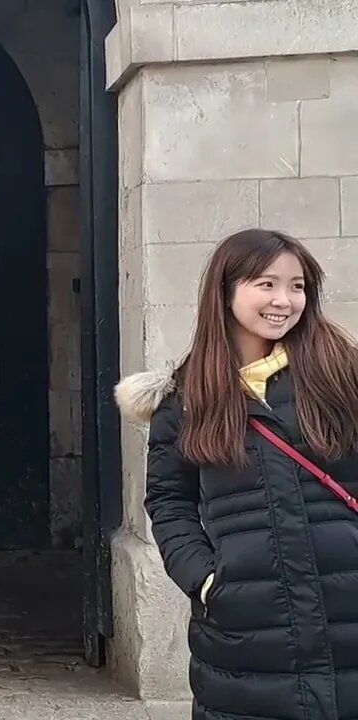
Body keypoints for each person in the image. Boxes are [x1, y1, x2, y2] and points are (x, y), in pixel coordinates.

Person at [115, 229, 358, 719]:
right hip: (245, 629)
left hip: (346, 609)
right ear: (226, 290)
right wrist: (206, 580)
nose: (284, 300)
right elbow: (168, 501)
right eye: (266, 284)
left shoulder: (340, 373)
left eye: (298, 286)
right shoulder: (186, 399)